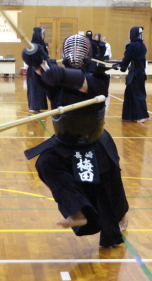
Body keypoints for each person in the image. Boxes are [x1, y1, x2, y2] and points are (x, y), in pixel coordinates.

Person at [23, 34, 129, 248]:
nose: (75, 53)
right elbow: (43, 77)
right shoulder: (55, 80)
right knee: (46, 164)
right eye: (70, 49)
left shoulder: (98, 76)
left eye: (81, 49)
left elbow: (83, 83)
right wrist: (36, 62)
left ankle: (116, 221)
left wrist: (58, 73)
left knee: (107, 189)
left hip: (94, 142)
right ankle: (76, 211)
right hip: (65, 142)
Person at [114, 26, 150, 123]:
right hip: (140, 72)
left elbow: (127, 59)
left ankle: (143, 115)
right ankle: (129, 116)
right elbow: (133, 59)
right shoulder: (142, 45)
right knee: (130, 94)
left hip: (135, 74)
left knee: (137, 94)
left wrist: (122, 66)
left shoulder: (132, 46)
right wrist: (121, 64)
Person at [26, 27, 49, 113]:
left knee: (40, 87)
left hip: (41, 70)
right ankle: (33, 106)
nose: (43, 36)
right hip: (34, 69)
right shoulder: (33, 45)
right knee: (34, 87)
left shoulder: (42, 45)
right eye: (41, 34)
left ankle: (39, 106)